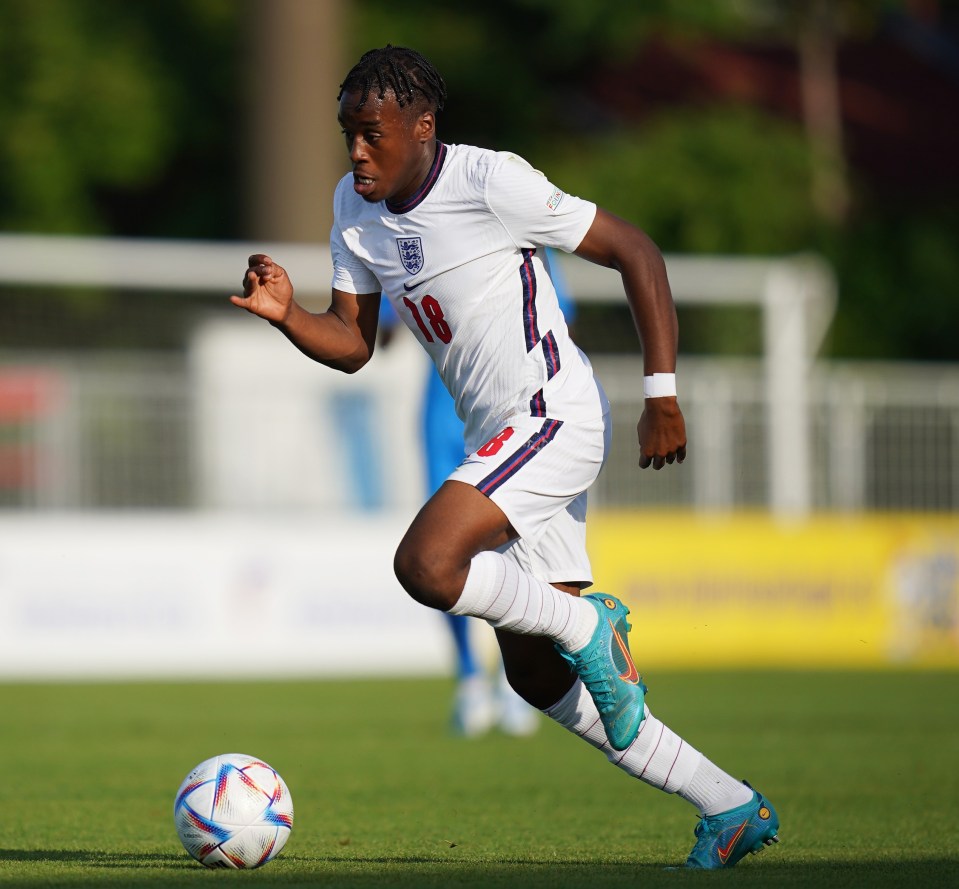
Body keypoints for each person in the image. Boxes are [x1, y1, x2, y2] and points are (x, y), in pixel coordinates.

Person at [231, 45, 780, 869]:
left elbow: (635, 250)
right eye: (347, 133)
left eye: (371, 134)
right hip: (503, 440)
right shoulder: (353, 205)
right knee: (533, 673)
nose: (355, 151)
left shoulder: (491, 182)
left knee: (425, 562)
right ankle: (728, 803)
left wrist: (661, 393)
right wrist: (287, 313)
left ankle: (593, 624)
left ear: (422, 128)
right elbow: (352, 343)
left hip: (552, 414)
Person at [381, 256, 576, 738]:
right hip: (443, 414)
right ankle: (470, 677)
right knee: (436, 551)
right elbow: (379, 335)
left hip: (507, 413)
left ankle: (516, 683)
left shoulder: (514, 230)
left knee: (511, 548)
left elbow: (561, 317)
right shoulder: (416, 233)